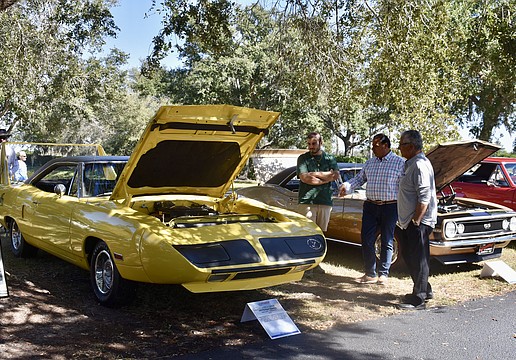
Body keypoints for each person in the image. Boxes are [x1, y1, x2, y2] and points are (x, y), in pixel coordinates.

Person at [339, 134, 405, 285]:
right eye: (372, 145)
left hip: (390, 206)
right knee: (366, 239)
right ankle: (370, 273)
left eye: (375, 145)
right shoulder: (370, 163)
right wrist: (346, 186)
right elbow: (359, 179)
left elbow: (405, 187)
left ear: (386, 146)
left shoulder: (400, 163)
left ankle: (383, 274)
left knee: (387, 239)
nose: (372, 148)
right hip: (370, 206)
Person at [396, 130, 437, 310]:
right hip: (407, 221)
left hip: (418, 221)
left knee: (419, 257)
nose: (399, 148)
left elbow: (424, 197)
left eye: (402, 145)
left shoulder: (420, 165)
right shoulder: (410, 164)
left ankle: (419, 299)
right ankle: (424, 289)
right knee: (409, 255)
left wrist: (416, 221)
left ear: (411, 146)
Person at [297, 132, 340, 233]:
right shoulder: (303, 158)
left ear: (321, 143)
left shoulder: (330, 158)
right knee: (306, 233)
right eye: (309, 144)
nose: (311, 147)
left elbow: (335, 175)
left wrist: (313, 174)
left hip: (325, 201)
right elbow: (305, 178)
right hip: (307, 201)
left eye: (314, 143)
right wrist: (327, 177)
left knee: (321, 233)